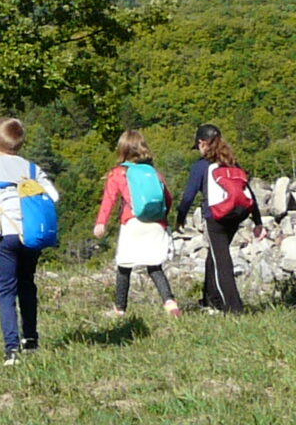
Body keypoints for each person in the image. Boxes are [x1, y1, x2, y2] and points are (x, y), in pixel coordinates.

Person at [0, 116, 59, 365]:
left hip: (4, 233)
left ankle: (11, 348)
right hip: (30, 233)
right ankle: (31, 338)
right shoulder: (32, 168)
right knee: (27, 284)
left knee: (5, 290)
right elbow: (53, 195)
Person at [174, 123, 266, 313]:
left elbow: (188, 196)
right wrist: (258, 222)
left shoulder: (201, 166)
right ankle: (209, 299)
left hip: (216, 217)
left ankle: (234, 308)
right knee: (215, 256)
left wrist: (180, 218)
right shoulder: (232, 162)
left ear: (202, 143)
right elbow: (247, 192)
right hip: (238, 214)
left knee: (221, 260)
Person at [93, 130, 181, 317]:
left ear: (122, 149)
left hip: (133, 222)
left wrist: (101, 223)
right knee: (155, 266)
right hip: (157, 223)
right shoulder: (153, 172)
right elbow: (168, 198)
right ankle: (170, 303)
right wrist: (163, 219)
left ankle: (120, 309)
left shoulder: (119, 172)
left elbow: (109, 199)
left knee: (124, 267)